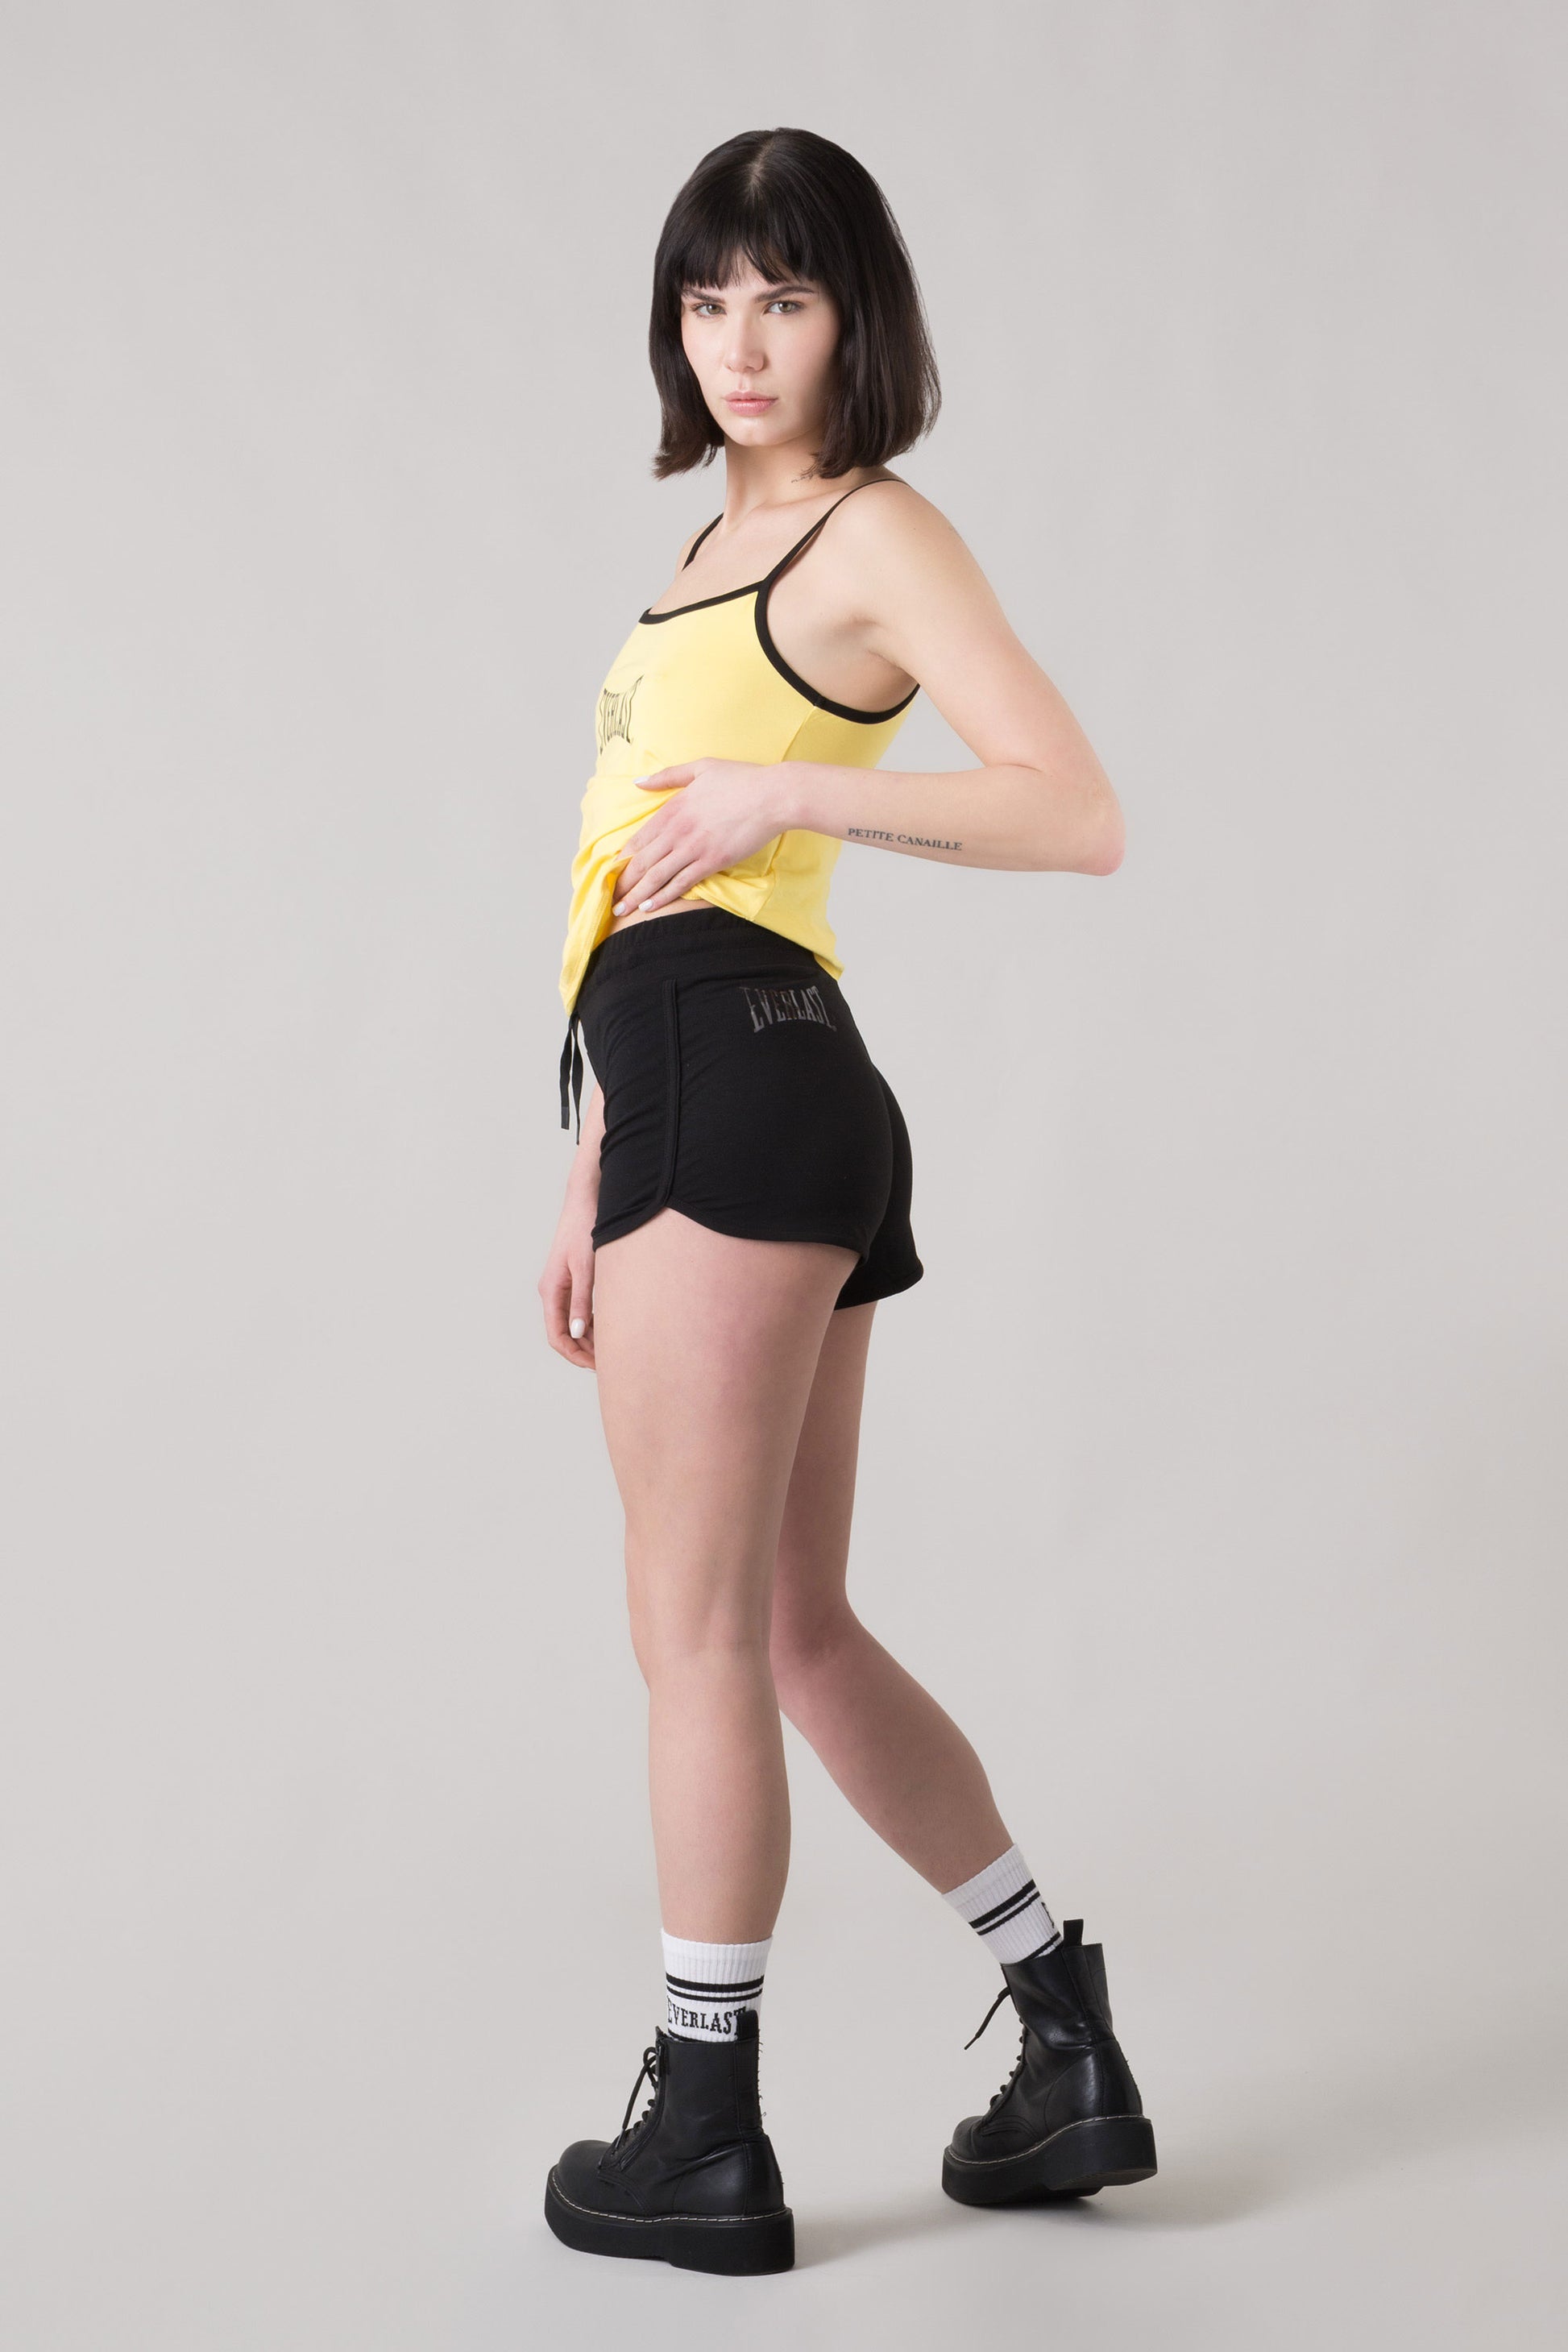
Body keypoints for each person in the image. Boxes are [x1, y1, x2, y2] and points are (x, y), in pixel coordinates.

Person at [537, 126, 1155, 2276]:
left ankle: (701, 2124)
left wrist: (794, 785)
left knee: (695, 1629)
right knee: (788, 1623)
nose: (741, 339)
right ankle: (1062, 2036)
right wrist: (595, 1145)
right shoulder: (715, 542)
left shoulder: (869, 529)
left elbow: (1074, 811)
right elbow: (635, 866)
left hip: (739, 1069)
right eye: (707, 296)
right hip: (720, 1080)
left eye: (783, 297)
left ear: (849, 318)